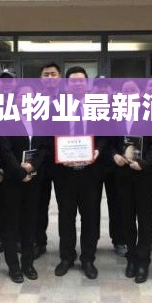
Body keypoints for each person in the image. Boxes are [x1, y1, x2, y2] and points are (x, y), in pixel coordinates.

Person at [53, 66, 105, 279]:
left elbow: (105, 134)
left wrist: (98, 150)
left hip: (90, 173)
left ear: (86, 83)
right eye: (73, 81)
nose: (77, 84)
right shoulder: (56, 106)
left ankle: (88, 258)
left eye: (81, 80)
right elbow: (48, 135)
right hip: (64, 173)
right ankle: (66, 257)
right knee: (66, 217)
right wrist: (60, 154)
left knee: (90, 217)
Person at [0, 84, 49, 283]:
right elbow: (5, 151)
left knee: (30, 223)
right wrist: (20, 172)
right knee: (12, 224)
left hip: (33, 180)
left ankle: (28, 263)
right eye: (22, 96)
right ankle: (13, 266)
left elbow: (44, 148)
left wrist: (32, 167)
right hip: (13, 181)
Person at [110, 79, 152, 283]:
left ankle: (143, 260)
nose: (129, 94)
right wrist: (114, 155)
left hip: (143, 175)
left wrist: (144, 164)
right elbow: (110, 143)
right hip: (122, 175)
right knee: (127, 218)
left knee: (145, 219)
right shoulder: (116, 115)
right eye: (126, 91)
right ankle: (131, 257)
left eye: (133, 90)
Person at [93, 75, 127, 258]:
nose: (103, 90)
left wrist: (119, 154)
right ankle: (92, 240)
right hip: (95, 165)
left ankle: (119, 239)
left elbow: (121, 138)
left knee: (117, 204)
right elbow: (96, 139)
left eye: (106, 87)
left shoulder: (119, 109)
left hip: (117, 166)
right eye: (99, 87)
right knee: (92, 205)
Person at [34, 62, 62, 259]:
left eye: (53, 74)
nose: (50, 77)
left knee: (65, 206)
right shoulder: (33, 100)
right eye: (46, 74)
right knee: (39, 204)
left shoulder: (68, 99)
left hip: (64, 161)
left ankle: (66, 247)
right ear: (41, 78)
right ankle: (39, 242)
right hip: (40, 161)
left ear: (59, 77)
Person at [0, 68, 18, 256]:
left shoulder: (22, 103)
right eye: (3, 81)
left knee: (17, 203)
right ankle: (2, 239)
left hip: (17, 161)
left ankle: (18, 238)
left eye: (10, 80)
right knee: (0, 204)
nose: (6, 84)